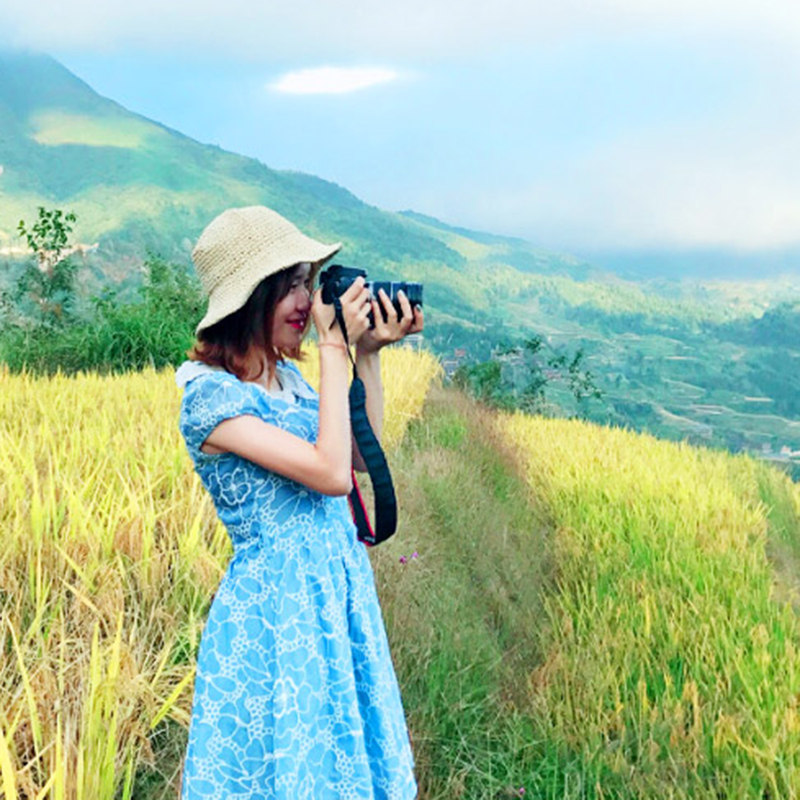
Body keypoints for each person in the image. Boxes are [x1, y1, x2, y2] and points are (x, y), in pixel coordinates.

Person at [174, 206, 422, 799]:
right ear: (247, 300)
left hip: (335, 595)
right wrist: (335, 353)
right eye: (287, 287)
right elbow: (330, 474)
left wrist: (367, 356)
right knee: (284, 772)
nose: (306, 302)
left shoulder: (291, 383)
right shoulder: (209, 399)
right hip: (275, 614)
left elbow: (359, 457)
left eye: (306, 283)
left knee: (339, 763)